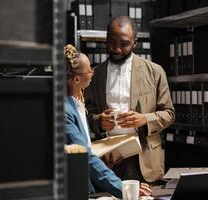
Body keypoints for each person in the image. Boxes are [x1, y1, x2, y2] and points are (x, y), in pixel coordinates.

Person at [85, 15, 175, 183]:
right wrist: (98, 121)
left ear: (135, 42)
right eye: (111, 42)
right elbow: (85, 114)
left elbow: (169, 114)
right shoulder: (95, 75)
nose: (117, 49)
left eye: (124, 44)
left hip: (145, 157)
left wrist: (144, 119)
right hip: (109, 158)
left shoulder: (155, 72)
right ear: (106, 39)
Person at [63, 44, 151, 198]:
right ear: (77, 79)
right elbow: (83, 157)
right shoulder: (65, 109)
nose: (93, 72)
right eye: (89, 69)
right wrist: (123, 188)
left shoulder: (77, 102)